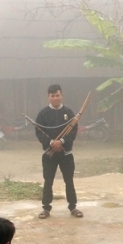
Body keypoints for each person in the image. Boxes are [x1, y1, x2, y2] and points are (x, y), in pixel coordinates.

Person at [33, 84, 81, 219]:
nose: (55, 98)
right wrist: (51, 143)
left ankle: (73, 207)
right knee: (48, 181)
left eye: (57, 95)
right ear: (48, 97)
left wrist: (62, 142)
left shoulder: (69, 113)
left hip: (65, 153)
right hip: (49, 153)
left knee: (69, 180)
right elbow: (39, 132)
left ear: (62, 95)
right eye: (52, 96)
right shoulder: (43, 114)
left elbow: (73, 131)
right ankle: (46, 208)